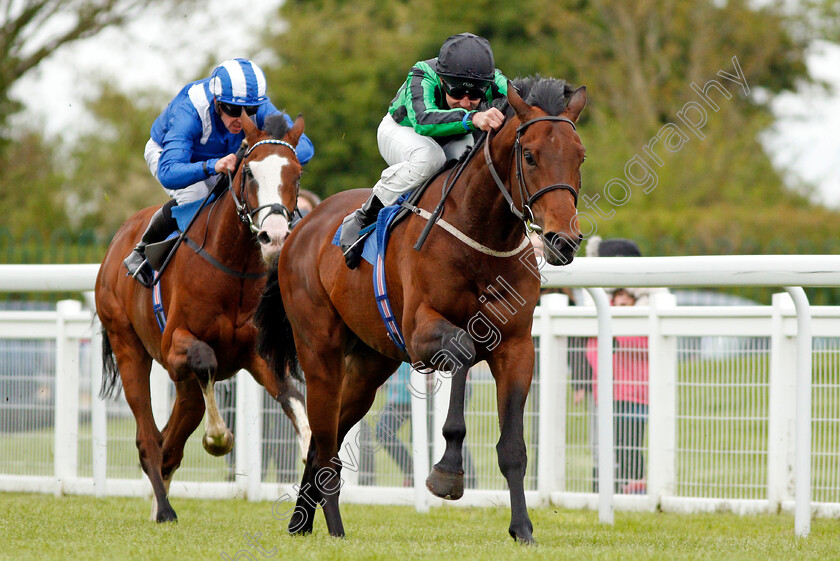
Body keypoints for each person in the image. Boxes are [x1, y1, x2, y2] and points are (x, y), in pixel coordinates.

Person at [124, 57, 315, 286]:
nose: (241, 118)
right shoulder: (189, 110)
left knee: (248, 190)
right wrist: (210, 166)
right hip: (172, 157)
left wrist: (267, 154)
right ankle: (142, 251)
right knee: (197, 196)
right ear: (216, 102)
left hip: (227, 156)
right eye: (233, 110)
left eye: (250, 110)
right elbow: (169, 172)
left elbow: (304, 147)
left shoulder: (256, 104)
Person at [339, 32, 510, 268]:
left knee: (475, 161)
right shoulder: (422, 73)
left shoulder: (496, 80)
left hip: (453, 136)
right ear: (442, 80)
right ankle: (361, 217)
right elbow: (423, 120)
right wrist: (475, 116)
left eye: (476, 95)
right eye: (457, 93)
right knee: (430, 157)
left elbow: (524, 102)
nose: (466, 101)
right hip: (404, 130)